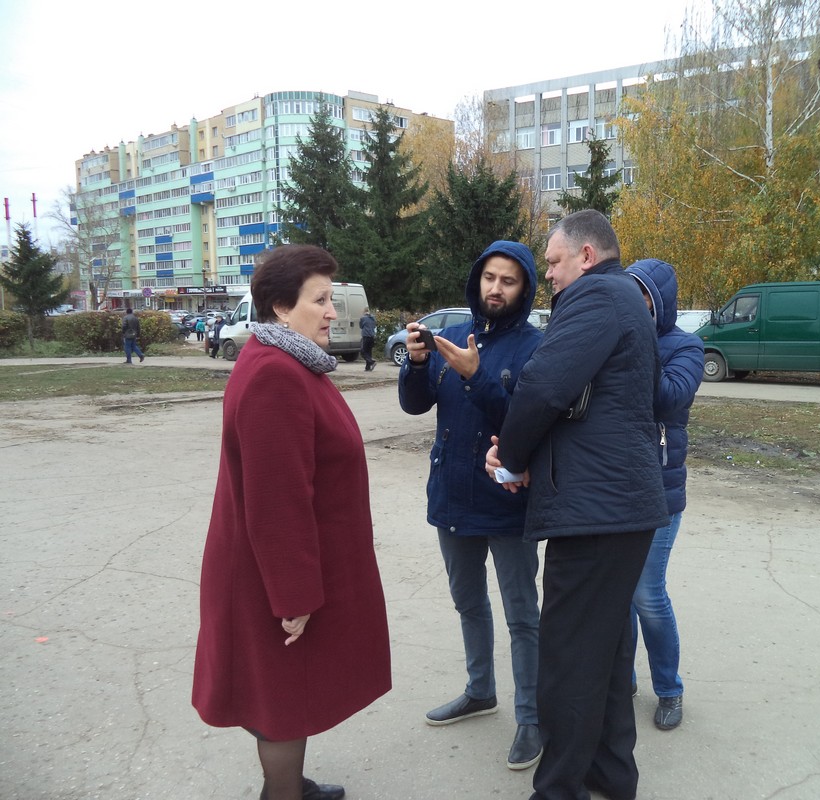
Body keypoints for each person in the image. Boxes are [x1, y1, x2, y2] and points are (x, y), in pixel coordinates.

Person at [192, 244, 391, 800]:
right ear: (281, 307)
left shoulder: (286, 362)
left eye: (332, 298)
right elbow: (277, 500)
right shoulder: (277, 375)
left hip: (276, 571)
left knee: (289, 693)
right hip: (272, 579)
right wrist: (294, 597)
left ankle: (291, 786)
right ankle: (282, 794)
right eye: (321, 299)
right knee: (280, 700)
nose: (333, 310)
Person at [486, 210, 668, 800]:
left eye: (555, 262)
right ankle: (611, 779)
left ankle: (559, 789)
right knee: (606, 659)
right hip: (614, 508)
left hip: (598, 515)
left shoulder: (595, 299)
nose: (550, 275)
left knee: (566, 664)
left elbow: (543, 387)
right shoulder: (620, 302)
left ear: (586, 256)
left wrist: (511, 458)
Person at [398, 241, 544, 770]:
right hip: (453, 498)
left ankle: (531, 717)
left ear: (523, 290)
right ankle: (480, 691)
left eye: (508, 281)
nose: (495, 289)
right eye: (489, 278)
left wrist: (476, 375)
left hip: (507, 502)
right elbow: (416, 405)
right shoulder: (456, 336)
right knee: (468, 604)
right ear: (476, 282)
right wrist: (417, 365)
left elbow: (523, 426)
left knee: (522, 616)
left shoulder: (534, 347)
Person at [623, 259, 704, 732]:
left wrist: (636, 349)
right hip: (618, 487)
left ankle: (669, 690)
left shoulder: (686, 347)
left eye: (642, 297)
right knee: (620, 593)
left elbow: (669, 398)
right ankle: (624, 678)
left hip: (661, 490)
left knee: (647, 593)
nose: (632, 306)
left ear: (658, 302)